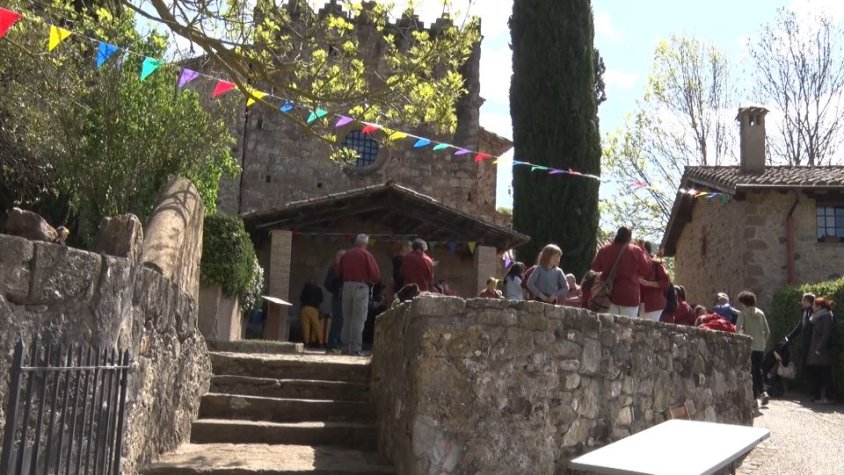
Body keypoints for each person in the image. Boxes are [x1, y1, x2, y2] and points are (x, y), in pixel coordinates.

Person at [590, 227, 650, 317]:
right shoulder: (636, 250)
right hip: (630, 296)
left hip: (608, 296)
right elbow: (646, 269)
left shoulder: (605, 249)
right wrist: (644, 252)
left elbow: (595, 268)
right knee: (627, 328)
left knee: (608, 328)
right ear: (629, 237)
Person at [338, 234, 381, 356]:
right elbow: (376, 276)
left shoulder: (346, 255)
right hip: (361, 287)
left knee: (347, 318)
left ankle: (345, 347)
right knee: (358, 319)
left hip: (346, 286)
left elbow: (338, 272)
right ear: (365, 244)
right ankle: (356, 348)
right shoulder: (367, 255)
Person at [736, 290, 771, 407]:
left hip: (748, 347)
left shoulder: (743, 314)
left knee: (752, 372)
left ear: (744, 302)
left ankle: (755, 398)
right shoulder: (761, 313)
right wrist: (763, 344)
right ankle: (763, 392)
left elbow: (738, 330)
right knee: (758, 370)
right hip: (760, 347)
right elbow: (768, 332)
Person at [806, 297, 835, 404]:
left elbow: (826, 333)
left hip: (822, 351)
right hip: (816, 351)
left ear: (819, 307)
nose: (812, 307)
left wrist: (819, 348)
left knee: (825, 374)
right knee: (817, 374)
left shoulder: (826, 316)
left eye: (814, 305)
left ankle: (829, 397)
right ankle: (817, 396)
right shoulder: (817, 317)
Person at [638, 241, 670, 321]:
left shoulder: (656, 264)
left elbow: (665, 283)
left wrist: (647, 283)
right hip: (640, 304)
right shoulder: (636, 265)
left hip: (654, 305)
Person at [783, 293, 816, 371]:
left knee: (809, 369)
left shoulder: (812, 313)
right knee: (805, 368)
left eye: (803, 300)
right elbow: (799, 326)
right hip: (805, 345)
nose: (801, 302)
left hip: (811, 346)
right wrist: (789, 337)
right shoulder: (805, 312)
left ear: (807, 301)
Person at [323, 249, 345, 353]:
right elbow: (327, 283)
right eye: (339, 256)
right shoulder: (333, 269)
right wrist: (336, 290)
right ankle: (332, 344)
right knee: (337, 320)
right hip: (337, 297)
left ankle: (339, 343)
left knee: (342, 321)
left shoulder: (346, 269)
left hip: (345, 297)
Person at [298, 277, 325, 348]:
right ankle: (320, 342)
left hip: (305, 308)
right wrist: (319, 313)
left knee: (305, 326)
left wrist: (300, 311)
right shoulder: (318, 289)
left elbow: (301, 300)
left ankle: (306, 342)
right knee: (317, 326)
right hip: (314, 309)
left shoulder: (305, 288)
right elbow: (320, 302)